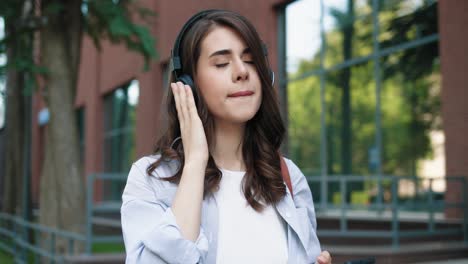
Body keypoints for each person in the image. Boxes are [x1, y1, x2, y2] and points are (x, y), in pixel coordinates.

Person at [121, 9, 332, 264]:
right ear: (188, 84)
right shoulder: (151, 181)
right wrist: (196, 163)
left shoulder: (288, 177)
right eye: (222, 63)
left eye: (251, 60)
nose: (242, 71)